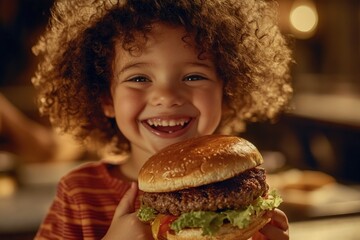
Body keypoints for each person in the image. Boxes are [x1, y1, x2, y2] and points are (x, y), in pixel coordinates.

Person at [32, 0, 292, 239]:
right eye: (139, 78)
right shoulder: (79, 194)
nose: (167, 97)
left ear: (227, 91)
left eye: (193, 77)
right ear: (106, 100)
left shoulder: (240, 185)